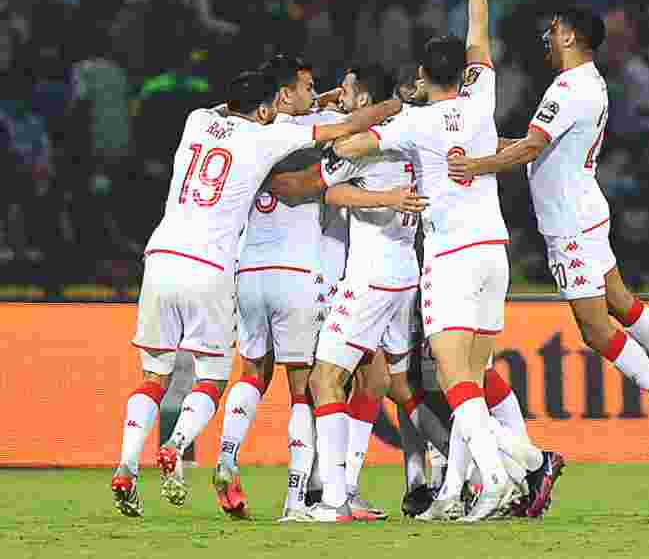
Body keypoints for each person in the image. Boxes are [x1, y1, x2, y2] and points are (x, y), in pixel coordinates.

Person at [109, 68, 400, 517]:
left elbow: (234, 108)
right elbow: (340, 134)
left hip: (177, 257)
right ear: (275, 102)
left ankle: (132, 462)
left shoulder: (198, 120)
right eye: (307, 86)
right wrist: (395, 106)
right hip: (259, 270)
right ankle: (280, 491)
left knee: (181, 374)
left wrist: (301, 100)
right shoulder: (276, 136)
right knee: (285, 385)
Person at [328, 0, 529, 522]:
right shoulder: (482, 96)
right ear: (462, 74)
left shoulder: (414, 122)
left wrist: (334, 136)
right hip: (495, 250)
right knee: (474, 374)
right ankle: (459, 491)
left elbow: (363, 144)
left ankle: (499, 478)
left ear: (424, 76)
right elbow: (479, 29)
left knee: (451, 373)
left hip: (449, 258)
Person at [447, 5, 649, 465]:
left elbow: (530, 147)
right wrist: (482, 148)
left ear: (570, 37)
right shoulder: (590, 83)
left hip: (569, 222)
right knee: (620, 300)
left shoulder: (567, 89)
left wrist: (475, 165)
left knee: (594, 327)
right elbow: (534, 146)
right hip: (585, 208)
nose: (547, 36)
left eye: (552, 29)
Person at [211, 56, 419, 521]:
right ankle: (306, 495)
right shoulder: (327, 127)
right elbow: (321, 163)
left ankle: (227, 455)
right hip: (310, 273)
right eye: (309, 86)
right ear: (286, 93)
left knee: (253, 372)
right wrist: (390, 103)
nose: (320, 92)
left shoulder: (241, 127)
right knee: (316, 385)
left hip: (248, 267)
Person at [269, 64, 449, 523]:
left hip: (370, 279)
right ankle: (480, 468)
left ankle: (333, 500)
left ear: (365, 99)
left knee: (323, 379)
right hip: (406, 272)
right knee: (393, 385)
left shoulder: (365, 145)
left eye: (347, 91)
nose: (340, 97)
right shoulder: (412, 134)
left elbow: (305, 187)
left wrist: (258, 176)